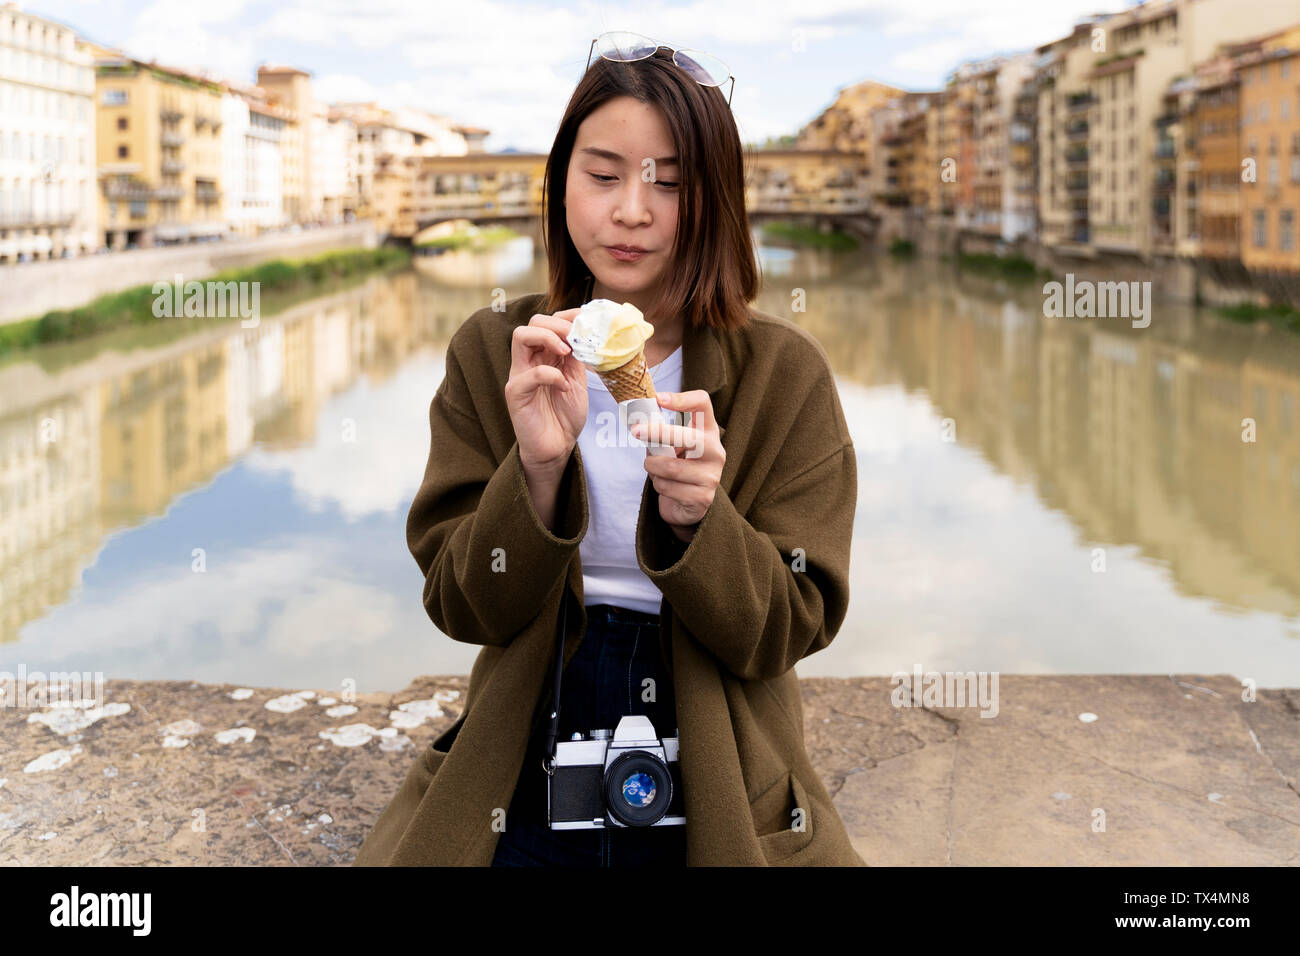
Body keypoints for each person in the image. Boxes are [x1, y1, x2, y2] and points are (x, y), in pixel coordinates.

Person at [353, 35, 864, 867]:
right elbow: (462, 609)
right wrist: (540, 472)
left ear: (719, 202)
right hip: (530, 719)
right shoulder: (495, 351)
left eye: (673, 181)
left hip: (720, 741)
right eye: (603, 175)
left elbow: (788, 630)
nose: (633, 210)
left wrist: (704, 521)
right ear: (560, 190)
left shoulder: (784, 374)